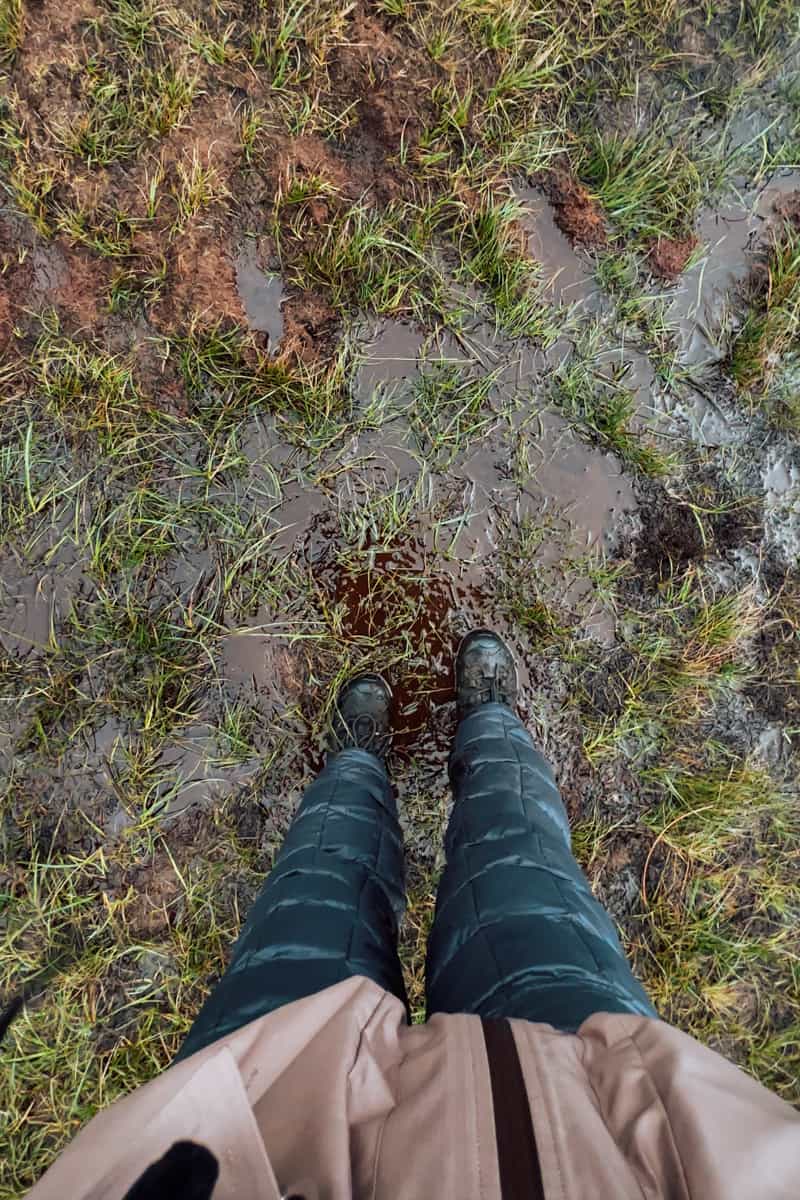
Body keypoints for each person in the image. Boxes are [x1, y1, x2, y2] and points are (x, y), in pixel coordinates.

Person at [26, 631, 800, 1199]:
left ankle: (358, 762)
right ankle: (489, 725)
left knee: (324, 879)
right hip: (613, 1112)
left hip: (273, 1124)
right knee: (521, 857)